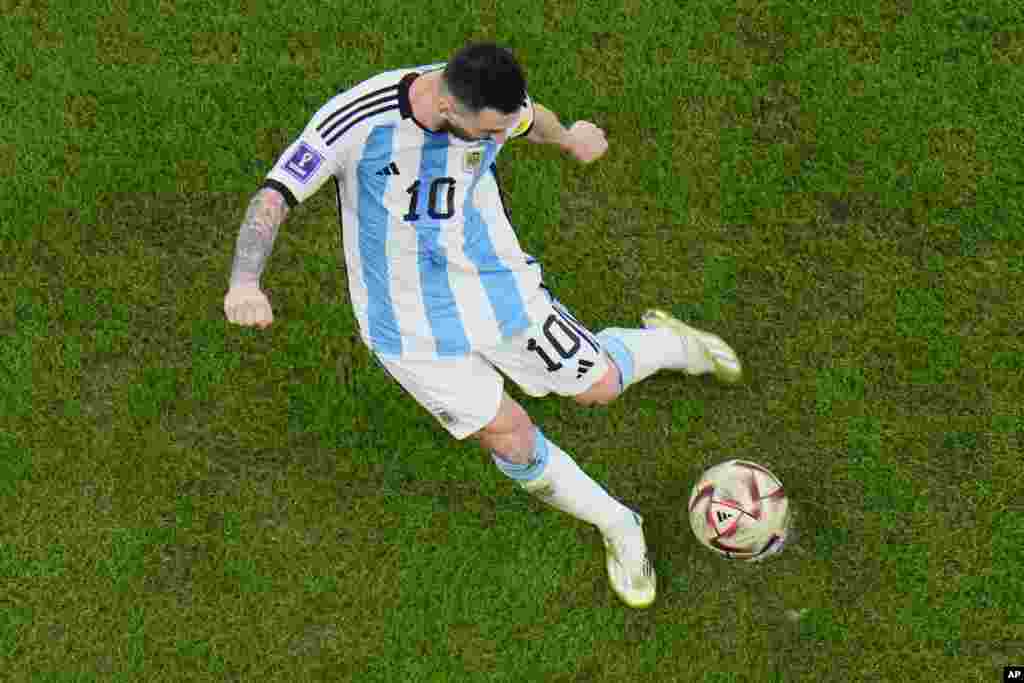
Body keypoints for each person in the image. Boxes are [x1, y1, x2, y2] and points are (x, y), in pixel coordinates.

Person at [224, 43, 742, 608]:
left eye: (503, 129)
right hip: (407, 328)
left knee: (600, 387)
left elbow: (528, 120)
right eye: (487, 133)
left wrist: (566, 135)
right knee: (510, 436)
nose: (500, 140)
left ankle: (672, 343)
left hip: (496, 288)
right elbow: (273, 198)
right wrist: (245, 283)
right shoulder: (357, 120)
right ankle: (618, 525)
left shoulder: (490, 109)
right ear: (447, 105)